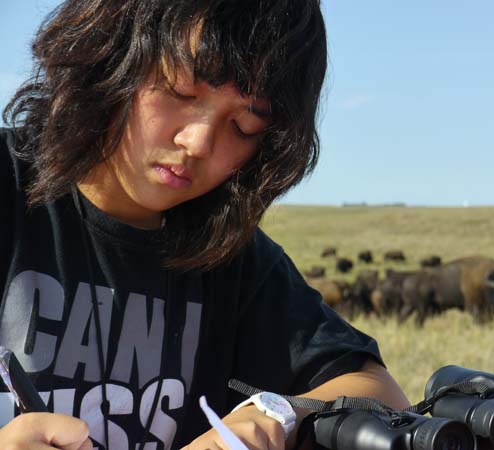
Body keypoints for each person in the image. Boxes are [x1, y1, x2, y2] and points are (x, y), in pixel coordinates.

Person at [0, 1, 409, 449]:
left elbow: (380, 392)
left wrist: (275, 415)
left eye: (243, 125)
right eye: (180, 91)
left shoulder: (232, 260)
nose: (197, 142)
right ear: (112, 52)